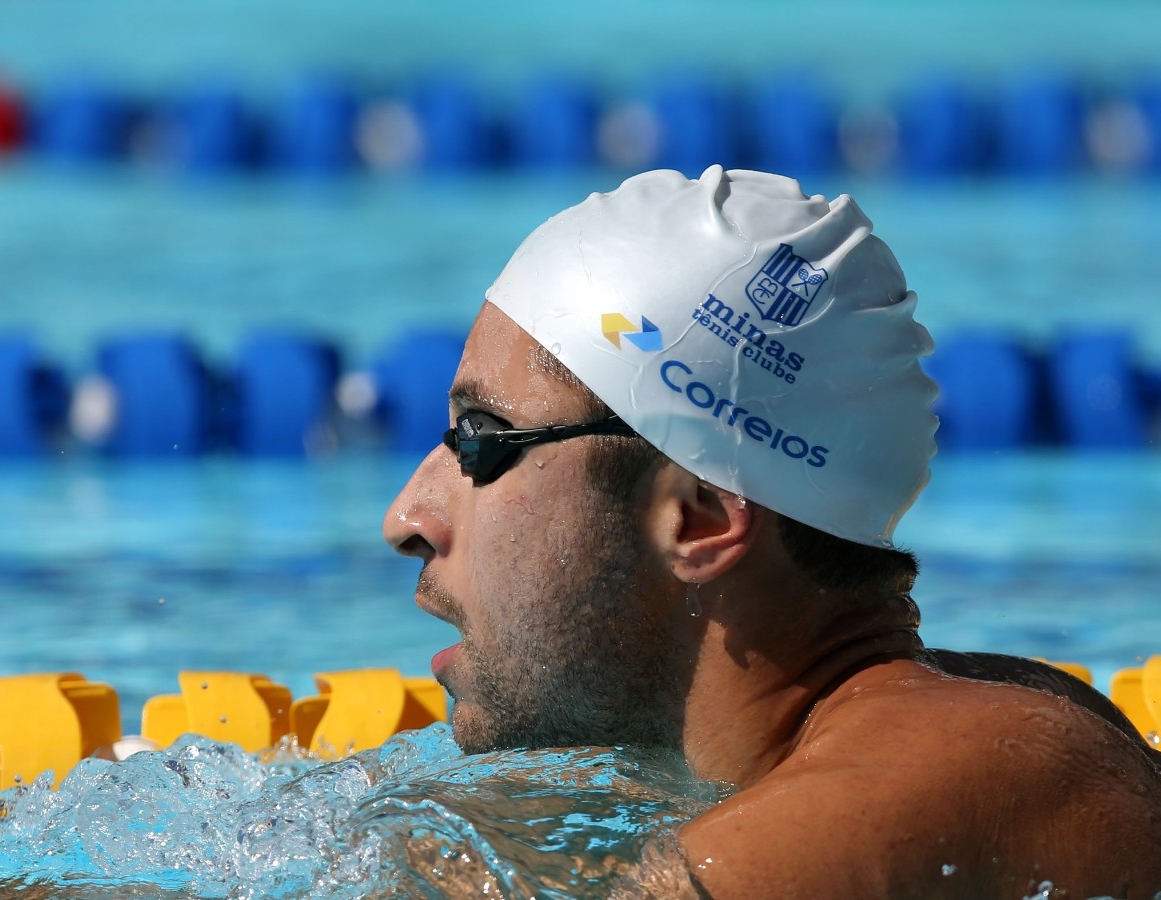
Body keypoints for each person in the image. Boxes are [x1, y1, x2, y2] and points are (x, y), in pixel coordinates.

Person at [382, 166, 1161, 898]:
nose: (406, 518)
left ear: (700, 518)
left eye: (481, 439)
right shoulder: (939, 736)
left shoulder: (952, 774)